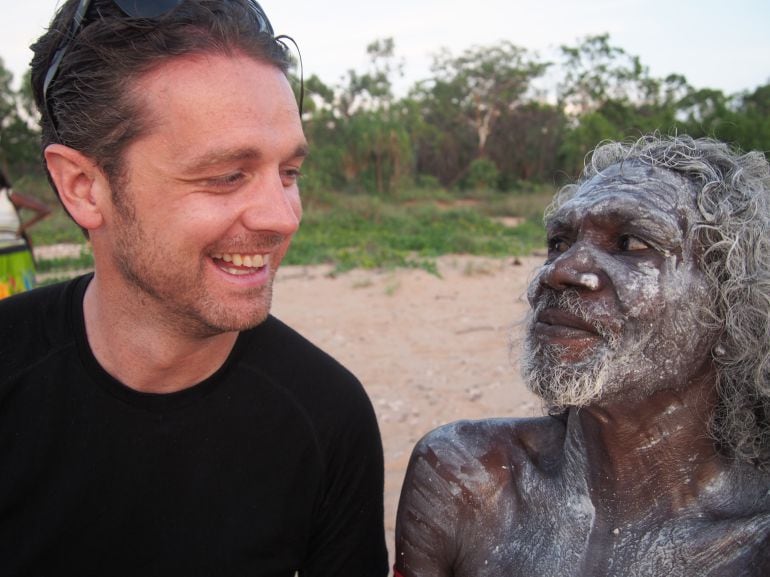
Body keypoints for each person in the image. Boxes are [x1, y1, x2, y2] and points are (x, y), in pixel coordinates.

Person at [0, 1, 388, 575]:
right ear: (83, 186)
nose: (282, 217)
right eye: (226, 176)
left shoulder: (328, 417)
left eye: (290, 173)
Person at [395, 134, 770, 576]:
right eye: (560, 242)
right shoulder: (466, 480)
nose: (559, 272)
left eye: (630, 244)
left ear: (735, 308)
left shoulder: (753, 545)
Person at [0, 169, 51, 297]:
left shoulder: (8, 196)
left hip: (16, 252)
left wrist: (22, 227)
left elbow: (44, 210)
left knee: (21, 293)